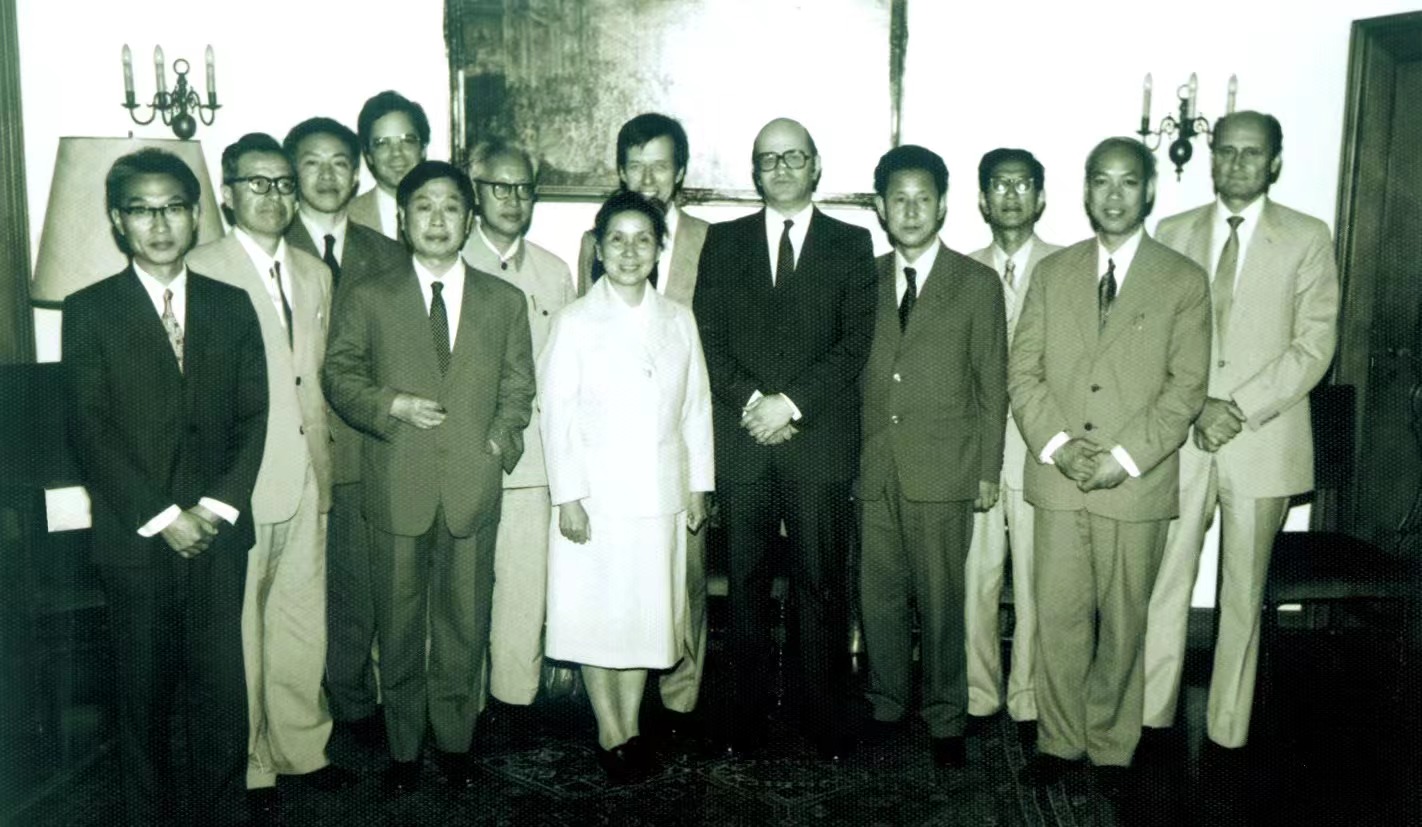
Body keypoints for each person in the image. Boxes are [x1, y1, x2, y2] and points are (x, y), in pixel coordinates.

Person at [63, 148, 267, 826]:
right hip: (136, 537)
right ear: (118, 221)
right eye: (142, 211)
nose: (159, 224)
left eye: (173, 208)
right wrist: (164, 515)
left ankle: (224, 814)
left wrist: (212, 508)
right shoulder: (89, 310)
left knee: (220, 696)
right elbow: (90, 431)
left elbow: (253, 416)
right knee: (142, 700)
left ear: (196, 214)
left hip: (218, 535)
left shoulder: (232, 306)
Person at [323, 160, 535, 796]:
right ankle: (404, 750)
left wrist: (499, 441)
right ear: (402, 218)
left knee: (465, 624)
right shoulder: (370, 294)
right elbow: (340, 374)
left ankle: (456, 744)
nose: (437, 220)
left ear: (469, 220)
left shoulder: (503, 300)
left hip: (473, 485)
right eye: (423, 207)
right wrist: (390, 404)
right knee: (399, 624)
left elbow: (518, 386)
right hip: (397, 483)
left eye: (451, 207)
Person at [1008, 137, 1210, 793]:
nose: (1114, 194)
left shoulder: (1182, 279)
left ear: (1148, 191)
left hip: (1135, 483)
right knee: (1058, 617)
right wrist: (1057, 445)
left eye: (1128, 181)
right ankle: (1060, 741)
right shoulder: (1053, 272)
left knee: (1124, 621)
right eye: (1102, 181)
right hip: (1059, 478)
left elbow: (1186, 388)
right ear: (1086, 190)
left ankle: (1113, 748)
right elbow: (1023, 372)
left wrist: (1124, 458)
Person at [1143, 111, 1339, 754]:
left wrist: (1238, 406)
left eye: (1252, 153)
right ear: (1212, 157)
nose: (1237, 163)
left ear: (1274, 162)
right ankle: (1150, 717)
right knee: (1164, 580)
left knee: (1243, 591)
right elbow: (1154, 335)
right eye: (1226, 151)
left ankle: (1228, 730)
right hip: (1184, 435)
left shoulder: (1307, 236)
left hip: (1264, 438)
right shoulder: (1172, 232)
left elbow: (1314, 345)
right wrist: (1197, 404)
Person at [693, 117, 876, 760]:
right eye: (768, 159)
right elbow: (707, 334)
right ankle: (743, 718)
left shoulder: (852, 243)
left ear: (816, 165)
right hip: (744, 438)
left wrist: (790, 405)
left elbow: (854, 342)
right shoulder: (724, 241)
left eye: (794, 156)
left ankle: (821, 716)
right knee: (743, 584)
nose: (781, 168)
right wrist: (755, 404)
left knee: (819, 583)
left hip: (817, 440)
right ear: (755, 171)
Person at [187, 132, 353, 813]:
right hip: (238, 477)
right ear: (227, 194)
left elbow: (314, 375)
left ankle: (302, 748)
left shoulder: (314, 272)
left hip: (309, 468)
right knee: (240, 626)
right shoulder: (199, 267)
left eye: (284, 183)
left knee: (301, 617)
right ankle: (252, 762)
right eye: (257, 183)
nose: (274, 195)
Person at [539, 190, 714, 782]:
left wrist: (699, 486)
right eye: (617, 239)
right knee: (597, 615)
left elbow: (696, 408)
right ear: (598, 248)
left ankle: (632, 726)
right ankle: (609, 730)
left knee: (643, 615)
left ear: (660, 249)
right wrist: (568, 497)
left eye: (644, 240)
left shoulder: (679, 319)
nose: (630, 251)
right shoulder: (574, 321)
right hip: (595, 499)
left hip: (659, 495)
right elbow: (557, 415)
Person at [857, 145, 1008, 769]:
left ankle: (946, 716)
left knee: (942, 600)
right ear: (881, 207)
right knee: (879, 596)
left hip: (945, 469)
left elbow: (992, 384)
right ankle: (886, 704)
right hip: (874, 467)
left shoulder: (975, 283)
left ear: (943, 205)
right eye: (899, 199)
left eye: (924, 199)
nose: (912, 210)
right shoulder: (862, 279)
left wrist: (987, 471)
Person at [576, 113, 713, 732]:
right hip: (611, 459)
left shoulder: (712, 240)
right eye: (636, 166)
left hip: (675, 443)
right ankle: (622, 715)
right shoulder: (595, 242)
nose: (648, 178)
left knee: (683, 579)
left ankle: (680, 697)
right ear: (620, 171)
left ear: (679, 172)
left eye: (660, 165)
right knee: (618, 584)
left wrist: (700, 472)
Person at [282, 116, 409, 748]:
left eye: (339, 162)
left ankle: (355, 706)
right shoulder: (271, 247)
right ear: (291, 173)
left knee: (357, 586)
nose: (327, 175)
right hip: (290, 449)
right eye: (312, 162)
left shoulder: (387, 253)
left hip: (362, 444)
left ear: (356, 172)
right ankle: (297, 714)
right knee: (296, 594)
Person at [459, 139, 575, 709]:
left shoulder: (554, 272)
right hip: (463, 455)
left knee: (525, 589)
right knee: (461, 588)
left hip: (532, 461)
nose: (512, 199)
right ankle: (463, 703)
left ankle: (513, 703)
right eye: (499, 187)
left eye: (523, 189)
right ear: (475, 192)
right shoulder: (451, 261)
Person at [965, 148, 1062, 743]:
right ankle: (978, 695)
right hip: (976, 448)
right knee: (974, 577)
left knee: (1035, 579)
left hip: (1038, 448)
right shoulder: (960, 270)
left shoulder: (1068, 267)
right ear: (982, 199)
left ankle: (1028, 699)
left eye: (1022, 185)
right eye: (998, 185)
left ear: (1040, 197)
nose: (1010, 195)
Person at [349, 91, 430, 240]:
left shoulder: (451, 213)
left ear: (423, 148)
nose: (396, 153)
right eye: (382, 143)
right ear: (368, 155)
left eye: (407, 140)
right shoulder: (346, 218)